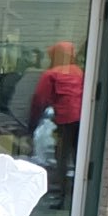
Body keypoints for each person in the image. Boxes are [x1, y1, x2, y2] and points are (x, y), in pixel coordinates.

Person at [28, 40, 85, 179]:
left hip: (65, 118)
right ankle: (75, 187)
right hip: (83, 118)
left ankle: (61, 191)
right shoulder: (80, 73)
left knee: (62, 154)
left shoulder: (50, 74)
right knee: (79, 153)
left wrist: (31, 125)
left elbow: (39, 99)